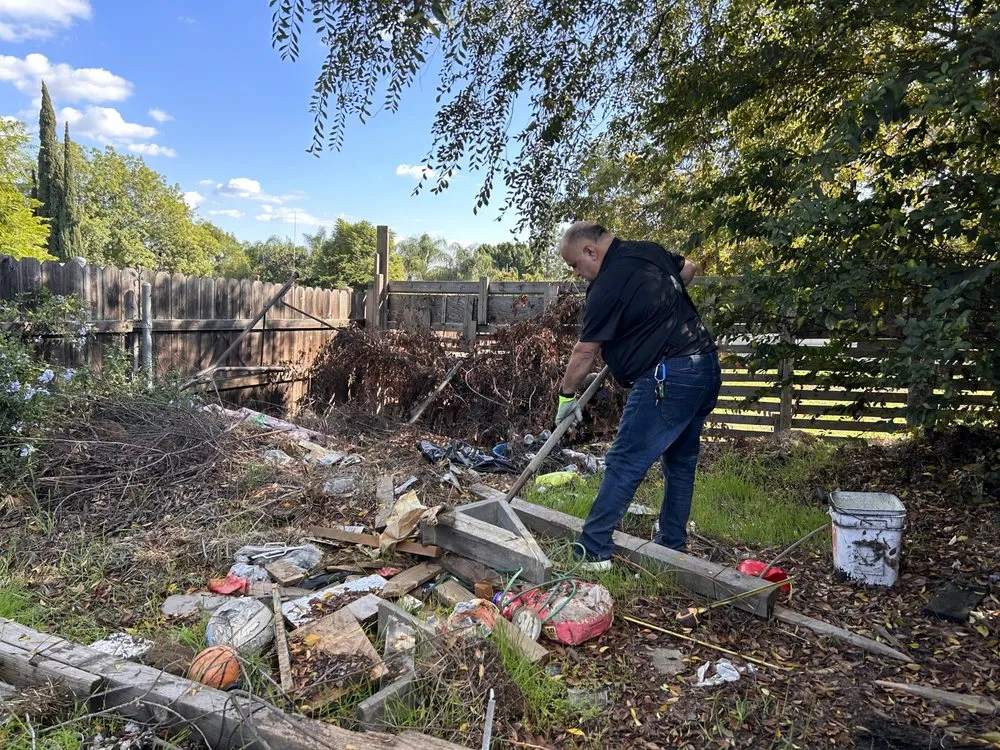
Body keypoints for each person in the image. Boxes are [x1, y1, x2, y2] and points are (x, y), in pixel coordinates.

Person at [555, 221, 721, 569]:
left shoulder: (607, 285)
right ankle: (671, 546)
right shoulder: (648, 250)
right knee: (680, 463)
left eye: (574, 264)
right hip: (703, 367)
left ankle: (593, 550)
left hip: (668, 377)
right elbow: (687, 268)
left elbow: (584, 353)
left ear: (591, 251)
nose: (577, 273)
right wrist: (651, 315)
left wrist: (566, 396)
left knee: (625, 461)